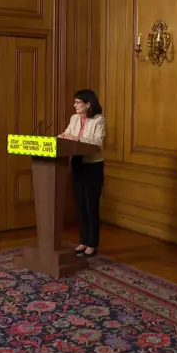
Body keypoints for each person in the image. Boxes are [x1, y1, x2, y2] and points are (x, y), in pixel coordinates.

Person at [58, 89, 106, 258]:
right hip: (77, 164)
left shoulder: (99, 120)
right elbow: (68, 135)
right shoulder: (74, 119)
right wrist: (62, 137)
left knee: (90, 205)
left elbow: (97, 142)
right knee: (80, 204)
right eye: (75, 102)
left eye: (78, 102)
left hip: (93, 166)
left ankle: (92, 243)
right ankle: (83, 241)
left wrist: (76, 138)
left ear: (88, 104)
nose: (75, 105)